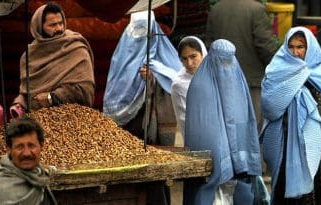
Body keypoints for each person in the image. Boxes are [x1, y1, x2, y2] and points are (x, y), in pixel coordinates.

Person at [261, 26, 321, 204]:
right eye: (291, 46)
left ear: (310, 48)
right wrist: (297, 80)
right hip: (286, 142)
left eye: (300, 47)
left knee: (317, 188)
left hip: (318, 143)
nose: (295, 52)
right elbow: (271, 107)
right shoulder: (276, 71)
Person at [184, 39, 263, 205]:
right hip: (213, 165)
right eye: (221, 61)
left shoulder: (238, 81)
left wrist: (240, 159)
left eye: (229, 61)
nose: (225, 66)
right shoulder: (200, 86)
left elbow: (244, 123)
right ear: (211, 58)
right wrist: (223, 161)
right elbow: (205, 133)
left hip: (237, 173)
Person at [103, 10, 183, 146]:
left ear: (153, 30)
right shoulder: (120, 58)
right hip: (127, 129)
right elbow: (114, 89)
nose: (140, 35)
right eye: (137, 29)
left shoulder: (168, 56)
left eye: (145, 29)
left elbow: (179, 83)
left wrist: (153, 79)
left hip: (153, 126)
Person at [10, 2, 95, 118]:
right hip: (38, 121)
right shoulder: (29, 56)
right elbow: (27, 92)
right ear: (39, 27)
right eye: (52, 25)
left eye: (60, 23)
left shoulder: (76, 47)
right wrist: (19, 103)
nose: (59, 28)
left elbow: (85, 91)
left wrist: (52, 97)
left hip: (73, 119)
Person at [205, 0, 278, 127]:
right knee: (251, 129)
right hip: (252, 81)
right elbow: (265, 46)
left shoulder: (216, 9)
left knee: (227, 127)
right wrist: (279, 69)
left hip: (222, 80)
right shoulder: (256, 9)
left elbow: (210, 46)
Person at [0, 116, 57, 205]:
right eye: (19, 147)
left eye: (31, 145)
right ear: (9, 149)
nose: (26, 153)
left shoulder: (41, 178)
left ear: (41, 146)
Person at [171, 36, 207, 142]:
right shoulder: (179, 85)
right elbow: (185, 120)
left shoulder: (214, 75)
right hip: (198, 139)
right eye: (184, 59)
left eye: (193, 56)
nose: (189, 63)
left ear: (203, 54)